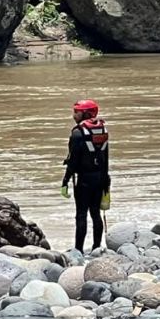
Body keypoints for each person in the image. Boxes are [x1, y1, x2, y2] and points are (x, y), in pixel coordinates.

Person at [61, 99, 110, 253]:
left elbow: (72, 161)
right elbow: (105, 157)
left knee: (81, 215)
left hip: (83, 180)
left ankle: (78, 250)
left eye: (77, 112)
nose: (74, 115)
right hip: (100, 178)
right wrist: (106, 179)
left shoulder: (77, 133)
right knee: (96, 213)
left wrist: (65, 180)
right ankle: (97, 247)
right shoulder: (103, 130)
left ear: (86, 113)